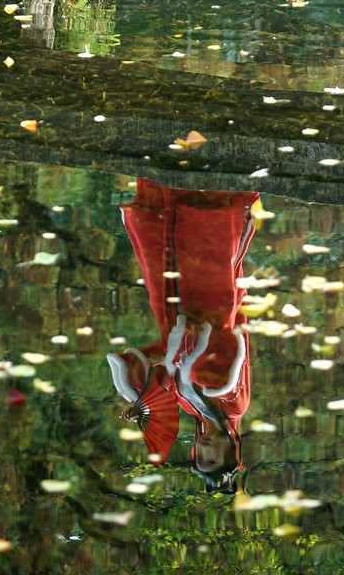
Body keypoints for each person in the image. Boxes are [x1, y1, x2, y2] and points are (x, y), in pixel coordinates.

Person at [105, 179, 259, 493]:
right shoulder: (233, 405)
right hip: (209, 308)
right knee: (204, 245)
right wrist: (180, 360)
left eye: (199, 456)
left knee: (162, 246)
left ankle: (164, 187)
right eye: (212, 457)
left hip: (174, 309)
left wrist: (141, 396)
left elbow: (167, 363)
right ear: (231, 452)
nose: (204, 449)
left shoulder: (192, 408)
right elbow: (224, 350)